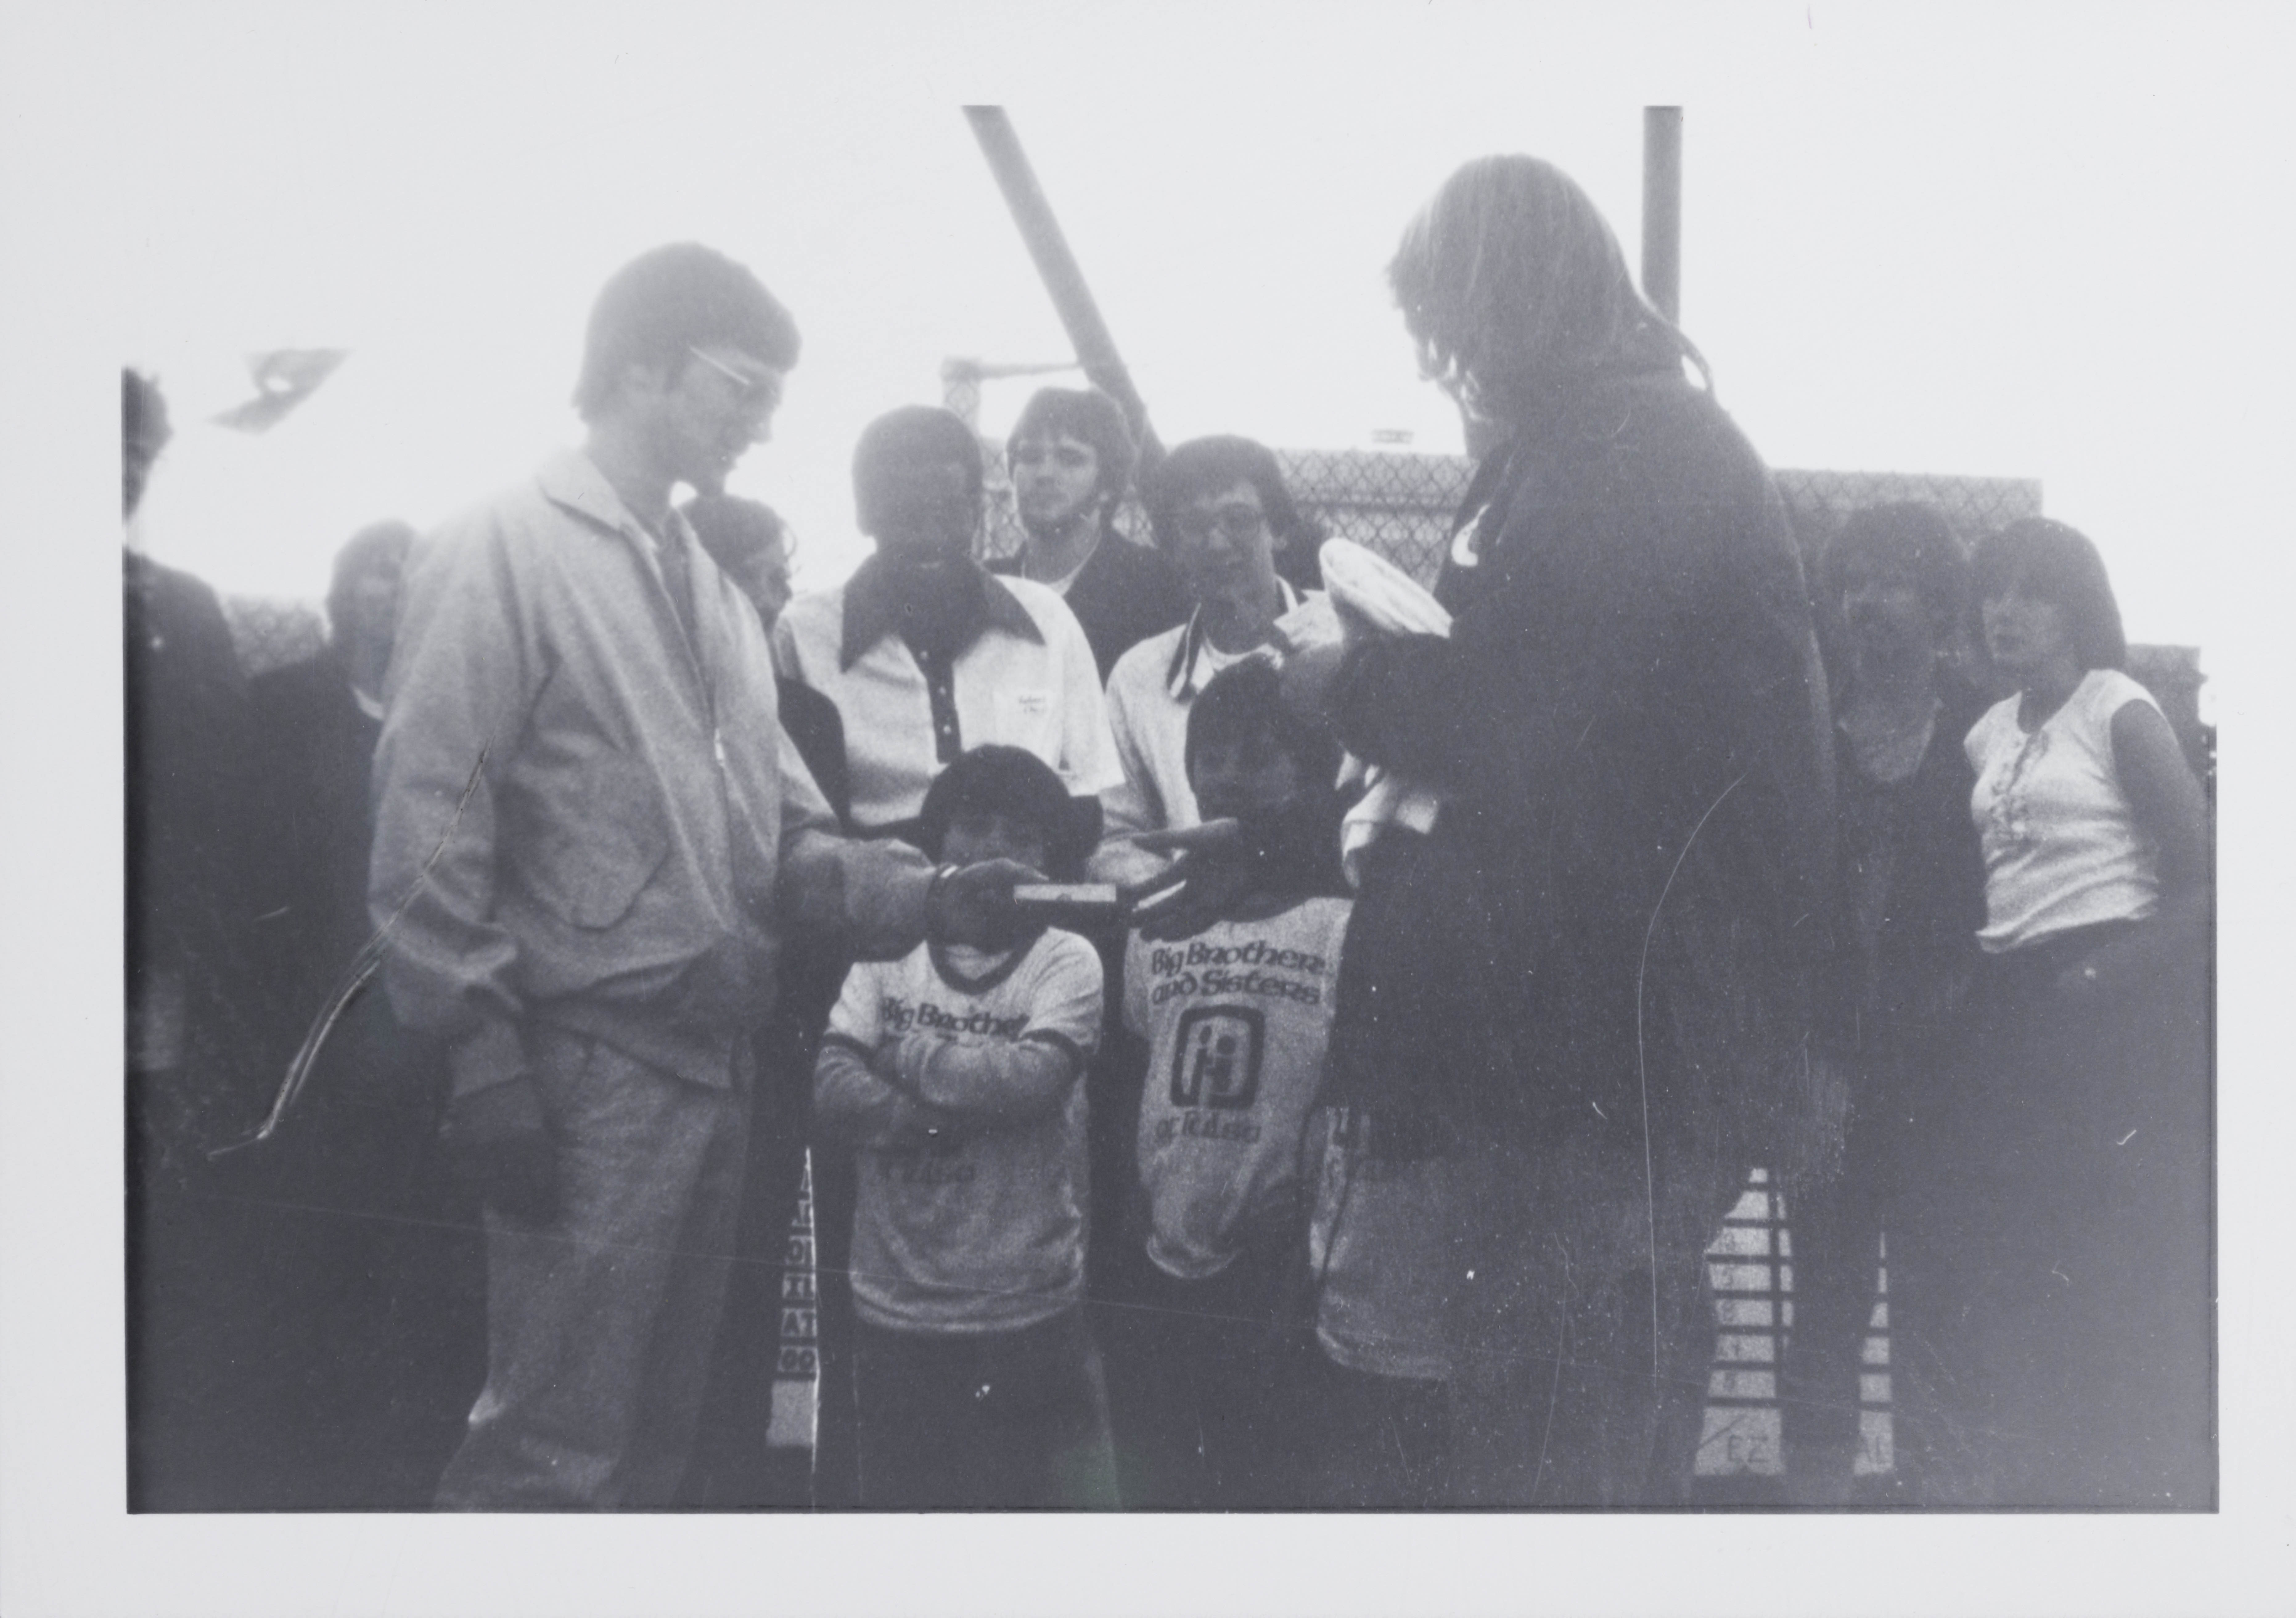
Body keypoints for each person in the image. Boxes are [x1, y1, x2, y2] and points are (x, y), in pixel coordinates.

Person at [368, 243, 1034, 1511]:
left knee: (655, 1448)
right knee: (549, 1455)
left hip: (714, 1070)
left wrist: (920, 895)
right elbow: (425, 821)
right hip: (582, 1075)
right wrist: (479, 1055)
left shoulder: (714, 597)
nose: (765, 418)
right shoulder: (501, 546)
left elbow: (785, 831)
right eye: (741, 384)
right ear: (639, 367)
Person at [1283, 154, 1834, 1506]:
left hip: (1606, 1051)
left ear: (1512, 301)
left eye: (1449, 329)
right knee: (1551, 1397)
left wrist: (1336, 678)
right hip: (1578, 1037)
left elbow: (1519, 723)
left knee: (1556, 1424)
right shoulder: (1586, 447)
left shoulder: (1632, 449)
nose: (1440, 366)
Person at [1921, 516, 2211, 1506]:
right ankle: (2037, 1490)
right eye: (1993, 590)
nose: (2007, 611)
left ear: (2076, 607)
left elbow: (2209, 886)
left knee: (2116, 1257)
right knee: (2019, 1253)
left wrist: (2102, 979)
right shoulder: (1983, 731)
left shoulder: (2117, 709)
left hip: (2111, 999)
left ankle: (2133, 1489)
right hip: (2014, 1006)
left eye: (2033, 591)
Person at [237, 519, 486, 1507]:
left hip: (427, 1027)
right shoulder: (285, 704)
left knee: (422, 1263)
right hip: (311, 1022)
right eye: (383, 572)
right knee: (315, 1256)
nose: (400, 591)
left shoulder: (457, 714)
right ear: (345, 589)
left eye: (417, 574)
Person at [813, 746, 1118, 1508]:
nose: (991, 851)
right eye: (971, 826)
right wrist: (926, 1119)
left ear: (1054, 856)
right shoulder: (888, 950)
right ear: (936, 846)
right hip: (896, 1303)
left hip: (1025, 1306)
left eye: (1020, 834)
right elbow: (830, 1083)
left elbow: (1030, 1082)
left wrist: (903, 1051)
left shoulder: (1067, 958)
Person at [1776, 502, 1989, 1503]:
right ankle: (1810, 1519)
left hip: (1946, 1074)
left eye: (1891, 578)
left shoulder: (1985, 733)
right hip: (1828, 1074)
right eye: (1852, 579)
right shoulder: (1804, 732)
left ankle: (1933, 1530)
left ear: (1936, 602)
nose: (1865, 599)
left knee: (1939, 1304)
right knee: (1822, 1304)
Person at [1115, 659, 1352, 1508]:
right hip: (1169, 1247)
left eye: (1257, 756)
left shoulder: (1341, 922)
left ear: (1312, 775)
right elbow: (1150, 1063)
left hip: (1284, 1260)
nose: (1227, 777)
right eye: (1210, 756)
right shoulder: (1162, 925)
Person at [122, 367, 287, 1509]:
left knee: (156, 1222)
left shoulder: (178, 605)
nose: (123, 476)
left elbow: (229, 791)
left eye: (138, 458)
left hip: (163, 976)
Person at [676, 490, 845, 1507]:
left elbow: (811, 867)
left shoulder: (803, 715)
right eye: (760, 575)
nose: (778, 598)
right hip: (644, 1035)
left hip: (768, 1032)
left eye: (785, 577)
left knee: (741, 1274)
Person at [773, 404, 1122, 843]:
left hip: (1027, 882)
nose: (926, 535)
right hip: (879, 895)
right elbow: (800, 824)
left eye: (946, 512)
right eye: (903, 513)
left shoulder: (1047, 618)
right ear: (863, 512)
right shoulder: (803, 634)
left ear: (976, 512)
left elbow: (1091, 794)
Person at [1097, 435, 1320, 858]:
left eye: (1239, 519)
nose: (1217, 543)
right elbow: (1117, 834)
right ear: (1172, 547)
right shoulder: (1138, 675)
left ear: (1279, 530)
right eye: (1195, 526)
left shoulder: (1344, 640)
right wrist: (1177, 891)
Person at [989, 385, 1187, 682]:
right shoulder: (987, 586)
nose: (1045, 473)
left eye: (1070, 458)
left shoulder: (1157, 589)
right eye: (1030, 456)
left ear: (1107, 484)